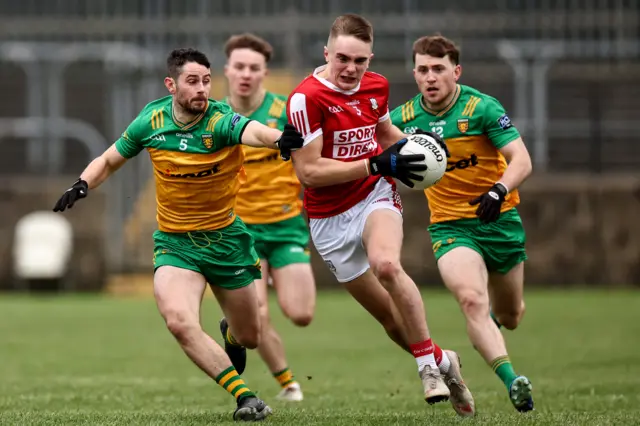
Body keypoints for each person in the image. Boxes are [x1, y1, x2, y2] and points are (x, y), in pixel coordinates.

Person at [52, 47, 304, 422]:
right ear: (171, 84)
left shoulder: (219, 120)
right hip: (176, 244)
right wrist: (83, 183)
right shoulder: (151, 120)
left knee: (250, 336)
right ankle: (246, 398)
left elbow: (252, 131)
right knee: (178, 321)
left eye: (206, 80)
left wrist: (277, 139)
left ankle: (231, 334)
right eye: (192, 81)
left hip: (226, 243)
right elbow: (109, 158)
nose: (202, 89)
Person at [287, 14, 475, 417]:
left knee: (387, 265)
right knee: (392, 323)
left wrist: (422, 148)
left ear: (371, 58)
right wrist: (375, 163)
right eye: (342, 59)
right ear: (326, 53)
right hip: (328, 220)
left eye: (361, 61)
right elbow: (309, 172)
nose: (352, 70)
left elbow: (386, 133)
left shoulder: (377, 85)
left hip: (375, 195)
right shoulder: (306, 98)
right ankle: (445, 361)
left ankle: (427, 369)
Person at [390, 34, 534, 412]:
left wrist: (498, 191)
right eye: (423, 70)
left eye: (438, 69)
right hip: (450, 227)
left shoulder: (482, 108)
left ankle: (488, 328)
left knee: (510, 315)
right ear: (415, 73)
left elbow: (521, 159)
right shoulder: (402, 119)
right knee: (471, 299)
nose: (430, 77)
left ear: (456, 71)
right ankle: (512, 380)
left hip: (499, 220)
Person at [220, 33, 315, 402]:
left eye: (253, 68)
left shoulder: (287, 111)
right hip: (240, 232)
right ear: (227, 70)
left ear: (264, 72)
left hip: (286, 225)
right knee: (255, 314)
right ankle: (289, 384)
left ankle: (236, 331)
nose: (246, 74)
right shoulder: (215, 115)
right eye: (239, 66)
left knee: (301, 313)